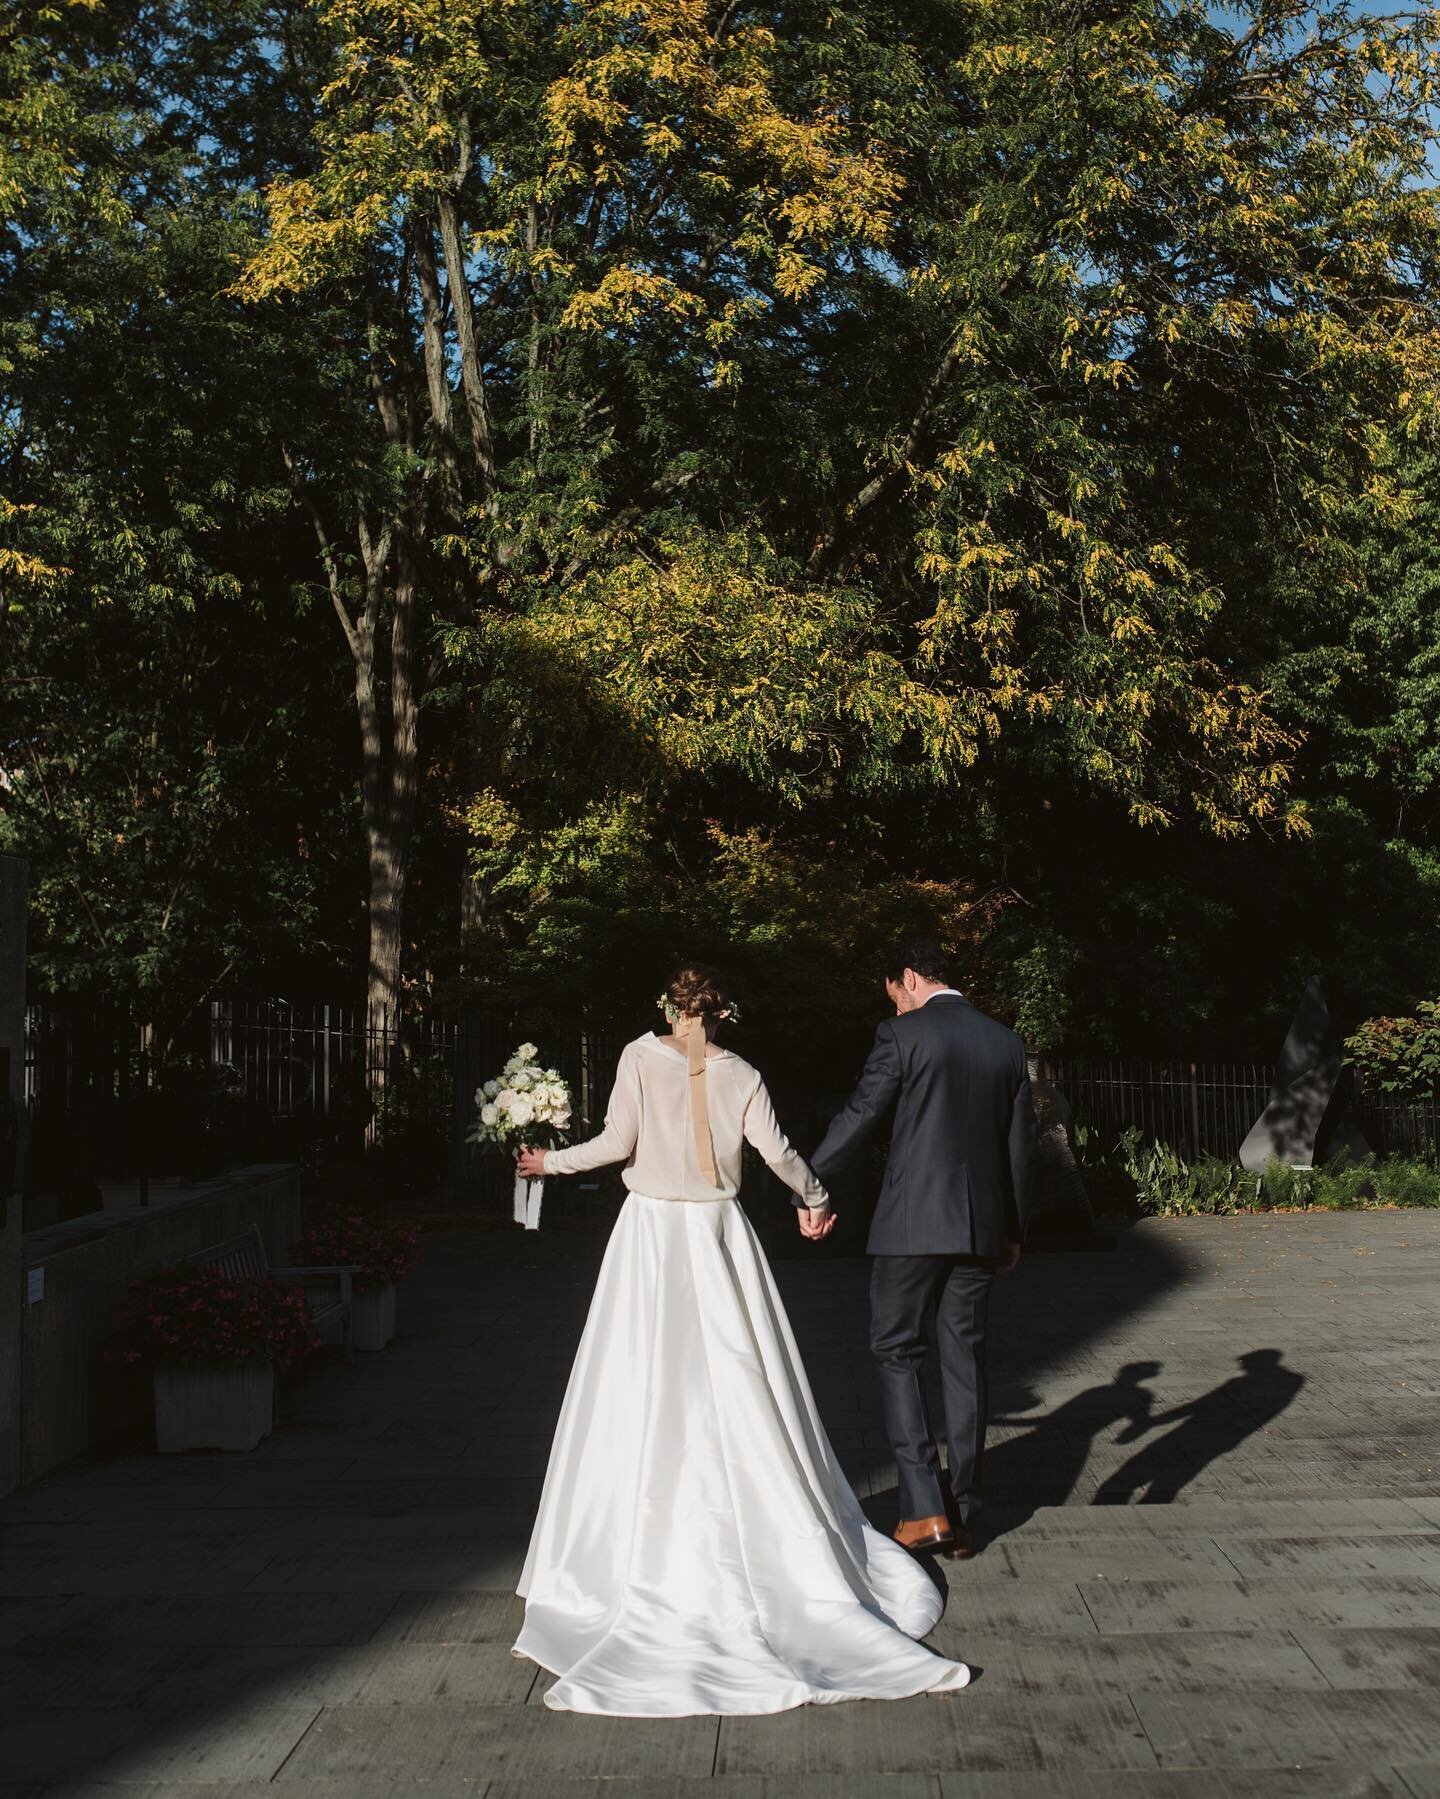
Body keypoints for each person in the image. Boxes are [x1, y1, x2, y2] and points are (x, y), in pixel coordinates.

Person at [511, 964, 972, 1716]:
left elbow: (613, 1141)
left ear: (668, 1007)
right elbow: (780, 1152)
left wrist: (546, 1162)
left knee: (638, 1382)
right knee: (741, 1380)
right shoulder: (745, 1074)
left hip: (650, 1241)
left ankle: (621, 1551)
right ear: (724, 1012)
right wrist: (815, 1197)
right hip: (719, 1236)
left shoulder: (635, 1055)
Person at [810, 940, 1039, 1559]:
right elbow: (1021, 1145)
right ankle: (963, 1515)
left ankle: (923, 1509)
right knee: (965, 1359)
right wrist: (1013, 1230)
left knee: (895, 1348)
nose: (897, 1005)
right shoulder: (1005, 1042)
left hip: (912, 1226)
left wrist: (810, 1184)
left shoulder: (901, 1036)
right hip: (982, 1229)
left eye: (894, 994)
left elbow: (861, 1115)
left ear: (909, 977)